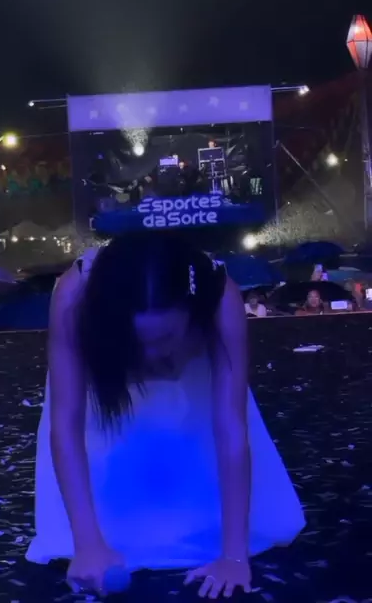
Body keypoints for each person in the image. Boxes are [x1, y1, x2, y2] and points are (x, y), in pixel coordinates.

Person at [27, 232, 305, 597]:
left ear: (193, 313)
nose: (152, 355)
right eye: (138, 340)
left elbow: (232, 426)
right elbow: (66, 424)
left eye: (166, 338)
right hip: (107, 378)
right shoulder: (74, 296)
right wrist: (87, 544)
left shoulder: (220, 297)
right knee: (113, 508)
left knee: (204, 494)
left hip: (196, 384)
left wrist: (234, 556)